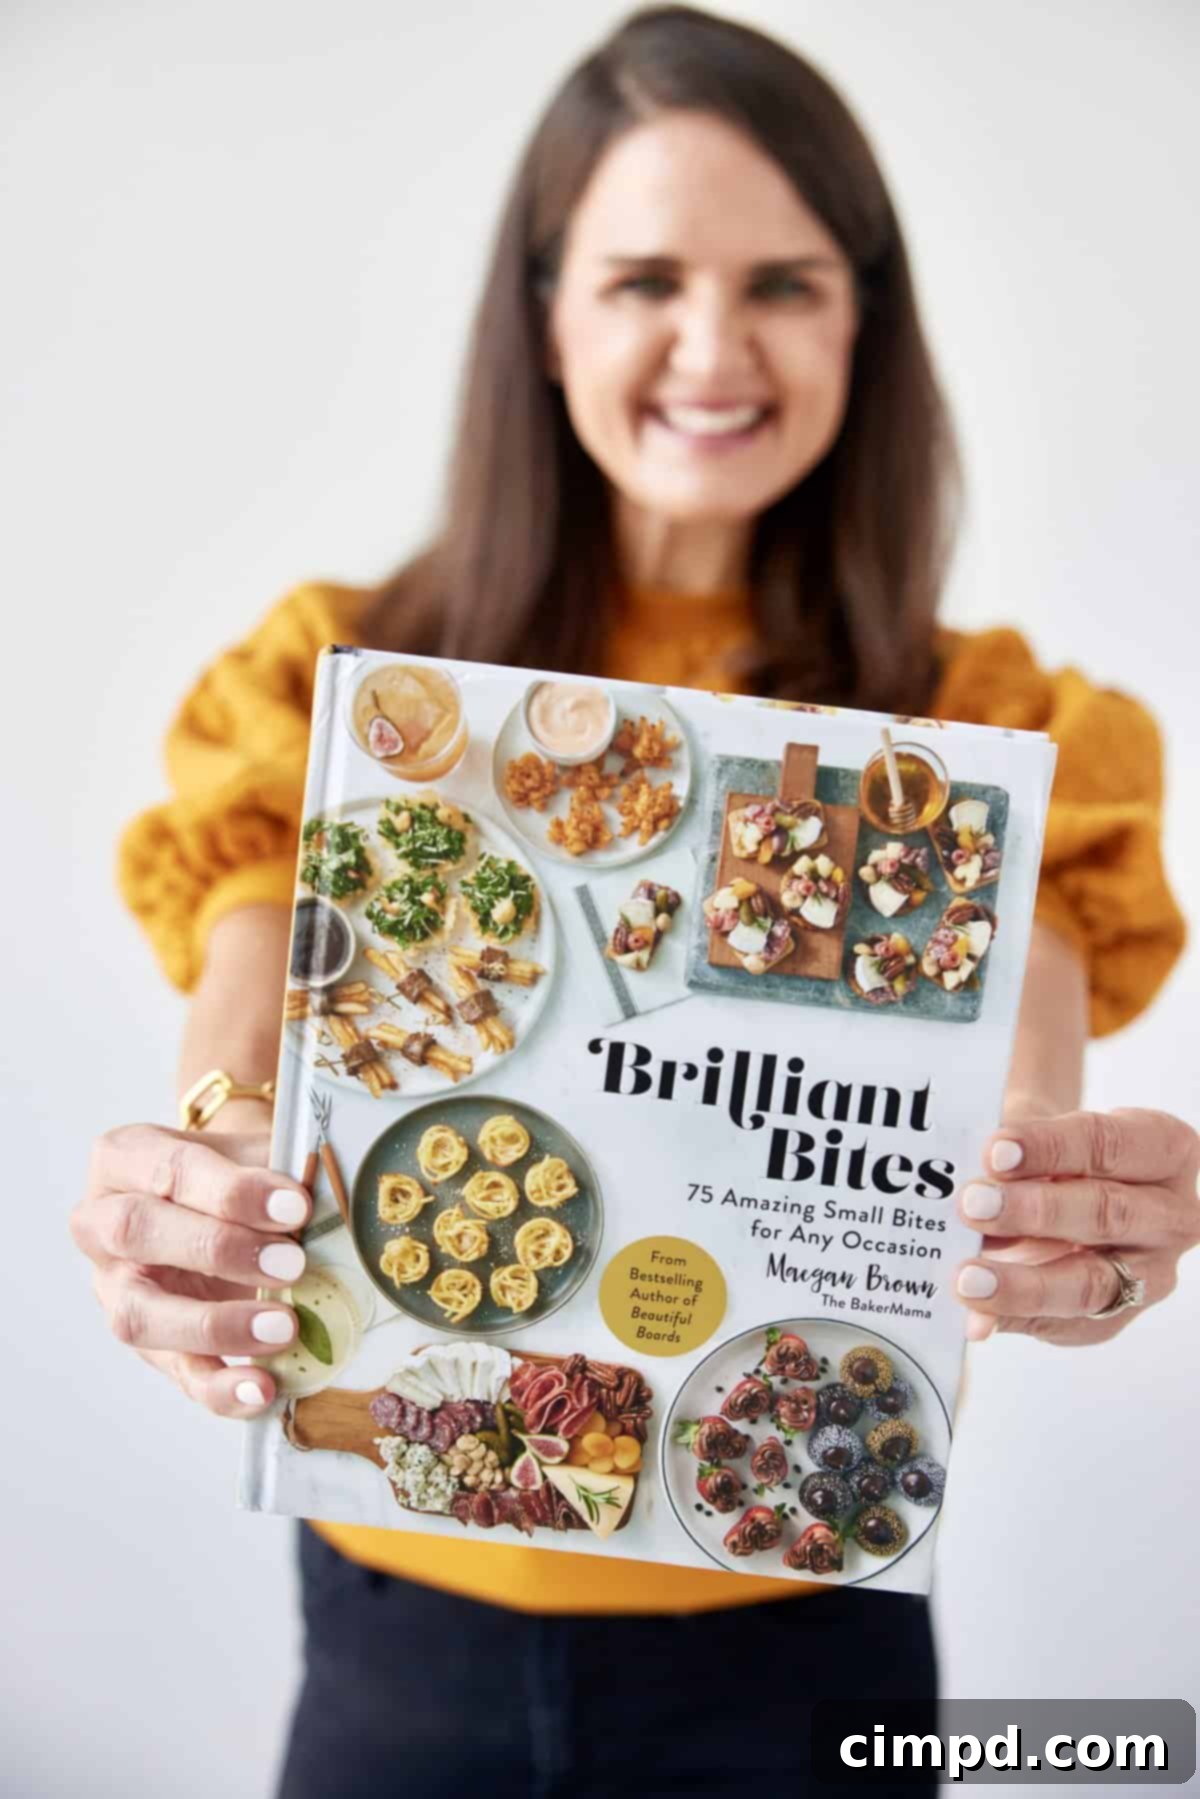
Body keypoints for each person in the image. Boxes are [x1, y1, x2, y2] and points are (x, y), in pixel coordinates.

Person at [73, 7, 1196, 1795]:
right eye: (645, 280)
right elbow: (243, 1063)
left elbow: (1022, 1106)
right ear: (546, 318)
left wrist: (1070, 1229)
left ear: (865, 320)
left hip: (803, 1635)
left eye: (784, 284)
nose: (711, 347)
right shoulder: (349, 706)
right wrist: (193, 1201)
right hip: (400, 1642)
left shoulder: (982, 737)